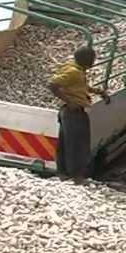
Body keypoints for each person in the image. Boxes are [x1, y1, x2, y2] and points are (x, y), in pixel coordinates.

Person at [48, 45, 109, 184]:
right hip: (73, 112)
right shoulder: (73, 71)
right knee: (77, 145)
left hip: (68, 112)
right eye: (93, 58)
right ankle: (76, 177)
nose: (94, 61)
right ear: (86, 59)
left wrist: (98, 91)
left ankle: (63, 174)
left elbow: (79, 86)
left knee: (65, 144)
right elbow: (53, 85)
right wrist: (70, 101)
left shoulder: (76, 70)